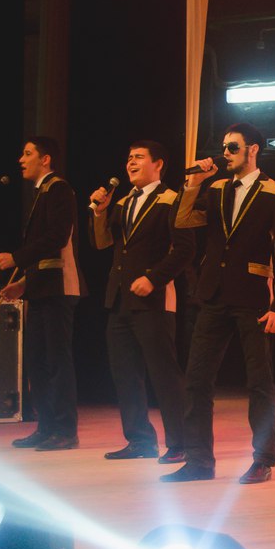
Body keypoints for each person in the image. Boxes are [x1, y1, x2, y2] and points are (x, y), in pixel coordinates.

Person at [162, 123, 275, 484]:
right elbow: (183, 220)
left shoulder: (274, 193)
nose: (225, 153)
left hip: (253, 296)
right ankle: (198, 460)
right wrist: (193, 185)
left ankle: (263, 459)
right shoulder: (217, 188)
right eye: (224, 147)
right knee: (197, 380)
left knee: (259, 382)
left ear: (252, 150)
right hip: (214, 294)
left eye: (233, 147)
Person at [89, 140, 195, 464]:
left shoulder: (172, 200)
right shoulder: (122, 202)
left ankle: (181, 442)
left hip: (155, 300)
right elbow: (103, 243)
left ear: (158, 164)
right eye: (129, 158)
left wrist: (154, 278)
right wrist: (100, 211)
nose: (131, 163)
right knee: (125, 373)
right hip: (120, 299)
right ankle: (139, 439)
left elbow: (185, 250)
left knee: (164, 373)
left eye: (138, 157)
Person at [0, 136, 85, 451]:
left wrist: (16, 258)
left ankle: (65, 430)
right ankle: (46, 427)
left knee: (57, 360)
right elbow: (43, 254)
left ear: (45, 159)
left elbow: (57, 238)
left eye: (27, 153)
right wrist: (23, 283)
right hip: (41, 288)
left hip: (59, 287)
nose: (21, 159)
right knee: (37, 360)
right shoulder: (42, 192)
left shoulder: (59, 189)